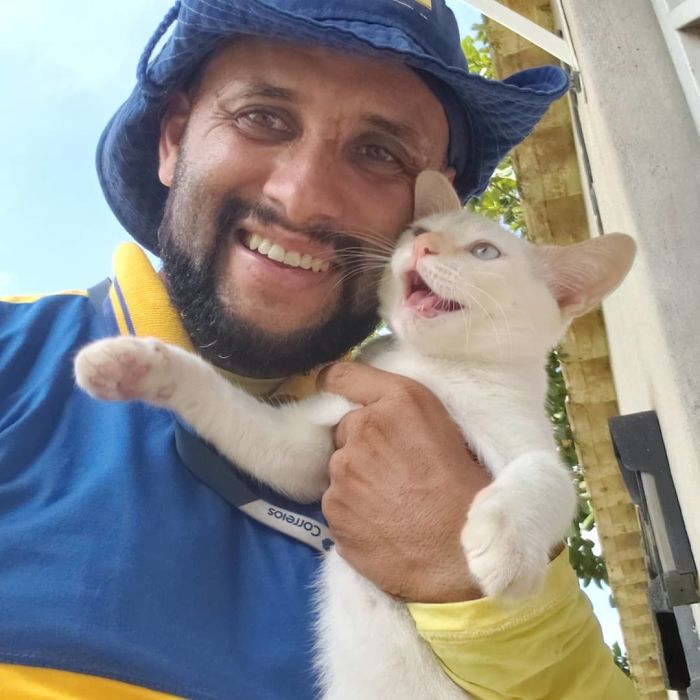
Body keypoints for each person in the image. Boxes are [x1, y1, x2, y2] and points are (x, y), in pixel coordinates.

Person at [0, 1, 637, 698]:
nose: (301, 198)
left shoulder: (403, 416)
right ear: (174, 139)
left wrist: (484, 606)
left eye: (379, 153)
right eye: (262, 117)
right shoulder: (15, 353)